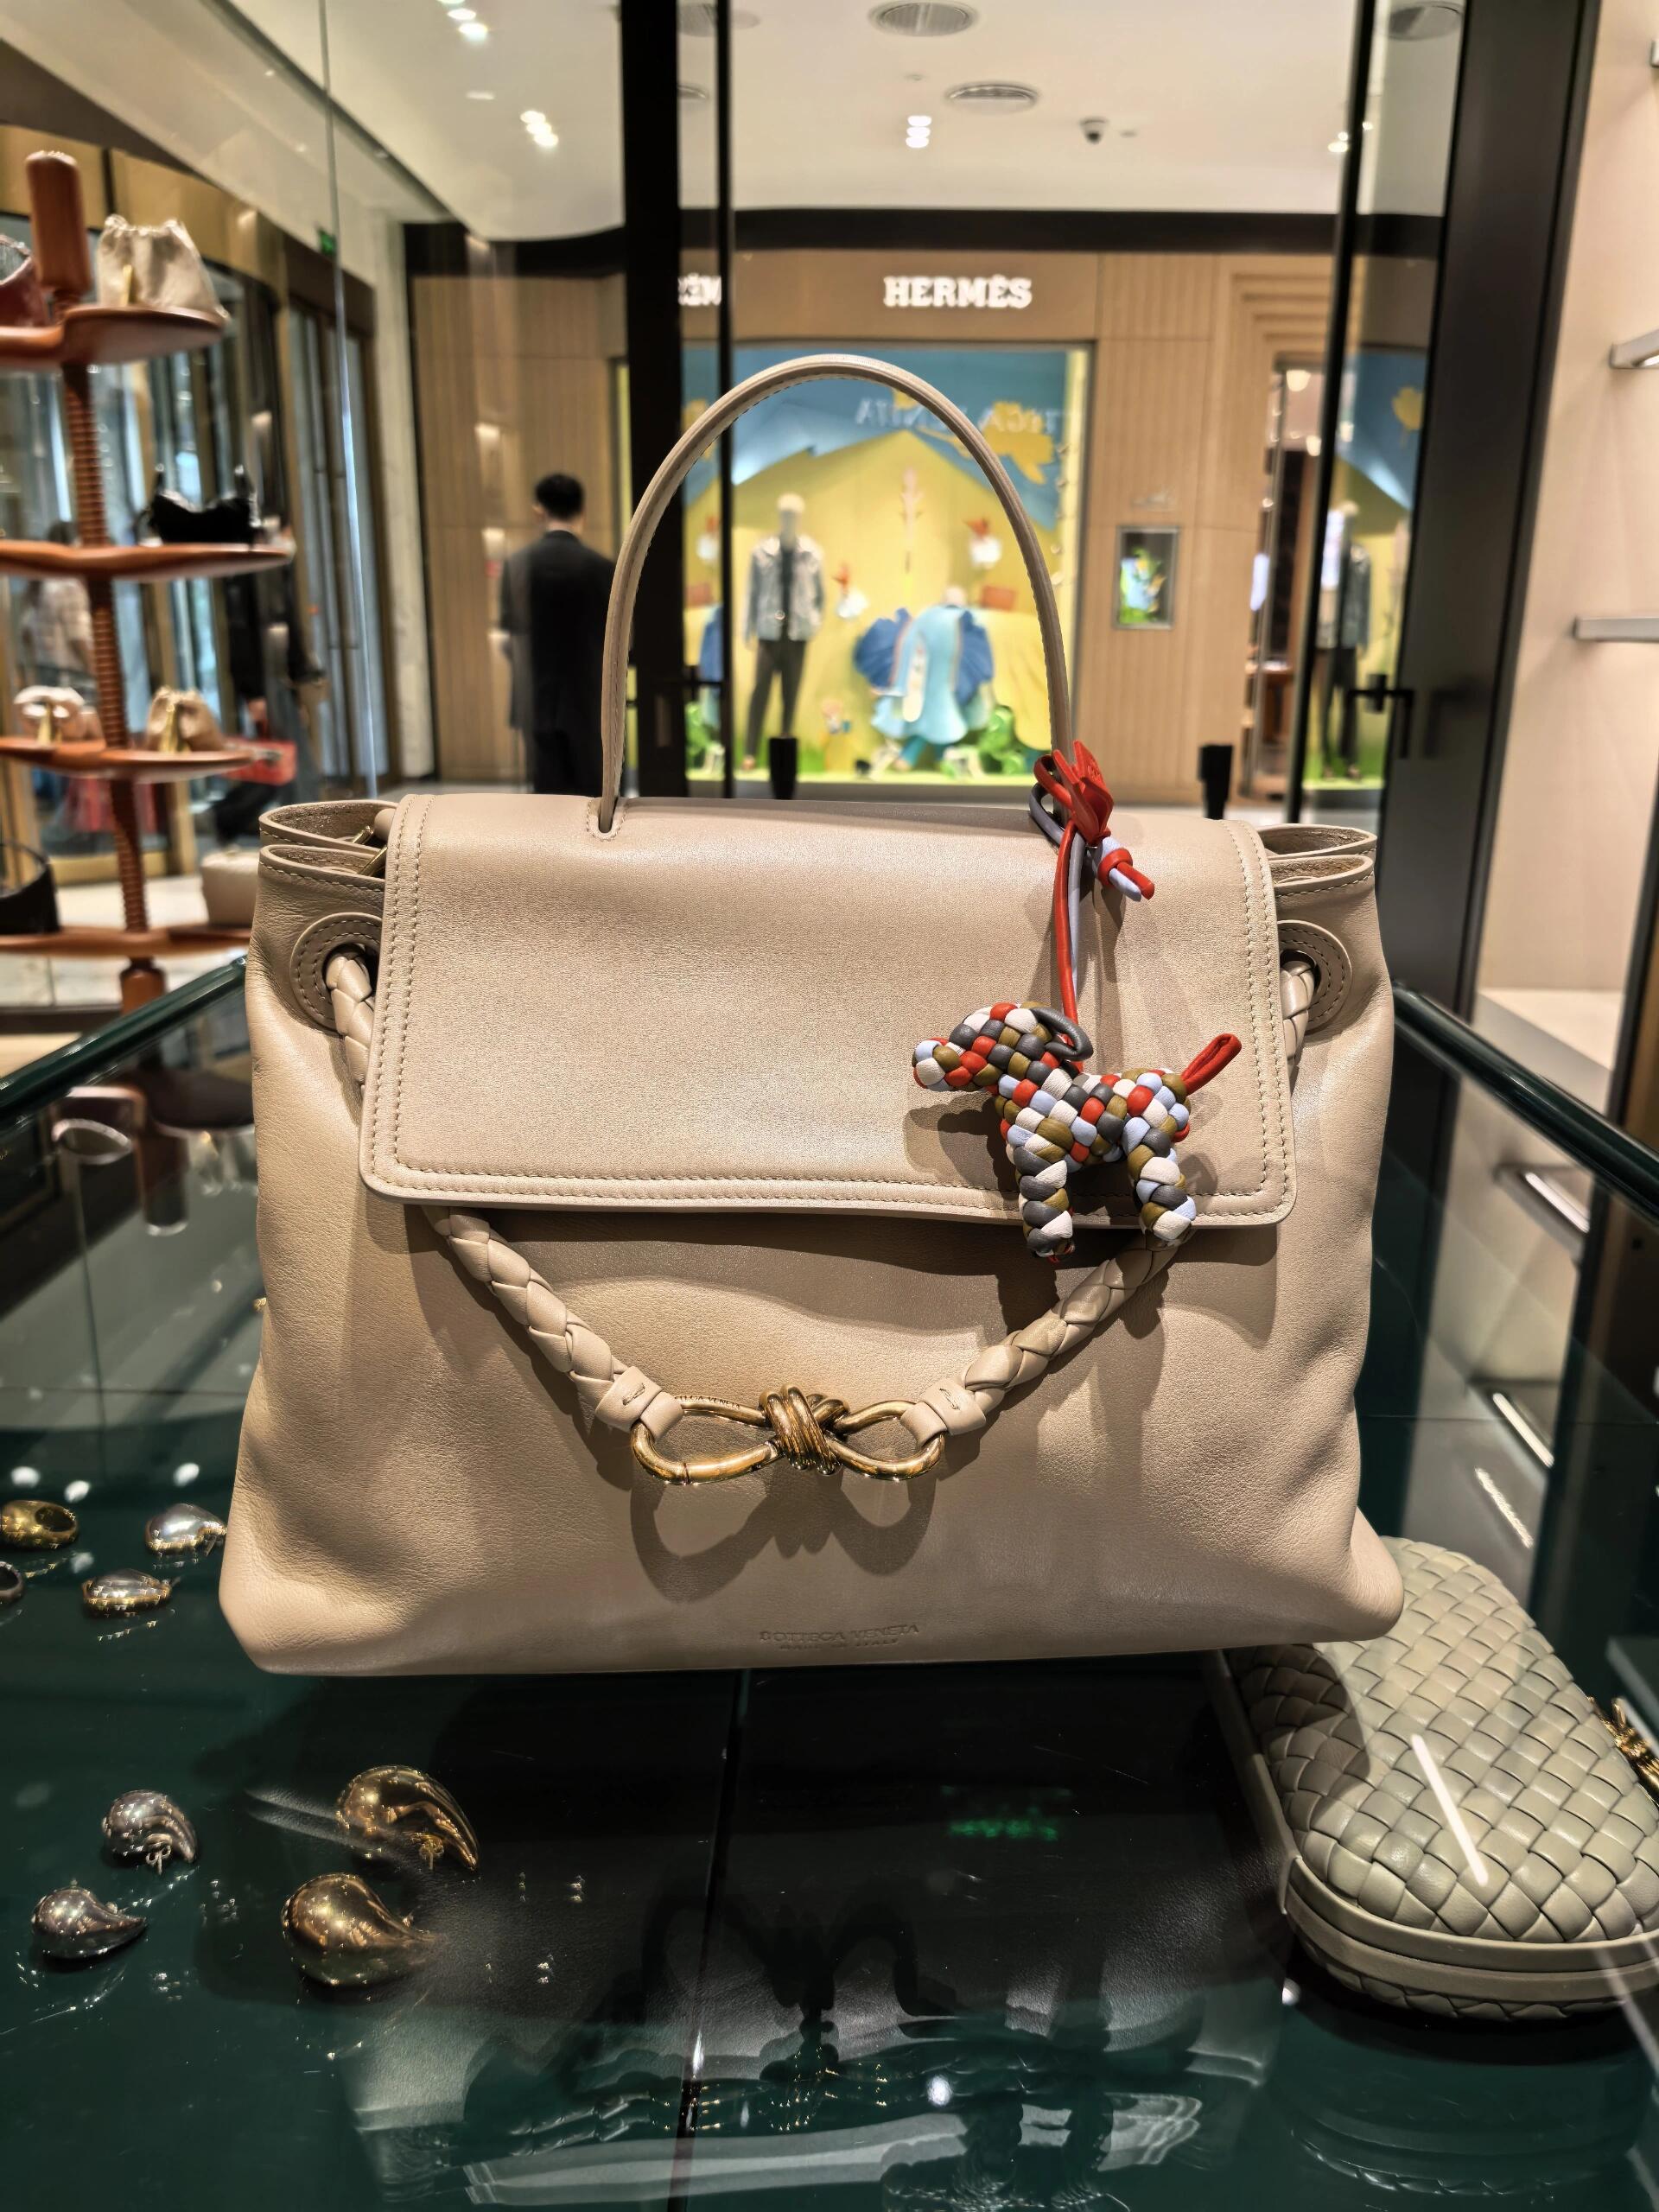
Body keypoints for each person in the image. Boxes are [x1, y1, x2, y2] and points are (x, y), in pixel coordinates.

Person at [499, 472, 613, 795]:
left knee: (545, 796)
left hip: (535, 698)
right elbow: (618, 641)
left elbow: (510, 641)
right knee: (590, 795)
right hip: (589, 698)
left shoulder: (518, 565)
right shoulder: (603, 567)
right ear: (582, 511)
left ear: (539, 511)